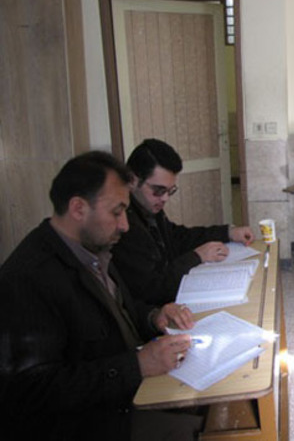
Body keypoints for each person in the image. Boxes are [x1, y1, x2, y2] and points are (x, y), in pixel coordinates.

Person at [0, 152, 202, 441]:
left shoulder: (94, 249)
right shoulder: (28, 277)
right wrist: (136, 366)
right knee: (203, 430)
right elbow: (32, 390)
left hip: (125, 394)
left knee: (212, 402)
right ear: (78, 208)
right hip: (88, 424)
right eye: (116, 212)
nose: (125, 225)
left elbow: (115, 313)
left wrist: (153, 316)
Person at [111, 139, 254, 306]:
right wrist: (197, 256)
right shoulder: (123, 225)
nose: (165, 198)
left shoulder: (148, 206)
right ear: (132, 180)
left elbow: (177, 237)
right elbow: (154, 288)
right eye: (158, 190)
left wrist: (227, 232)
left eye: (170, 191)